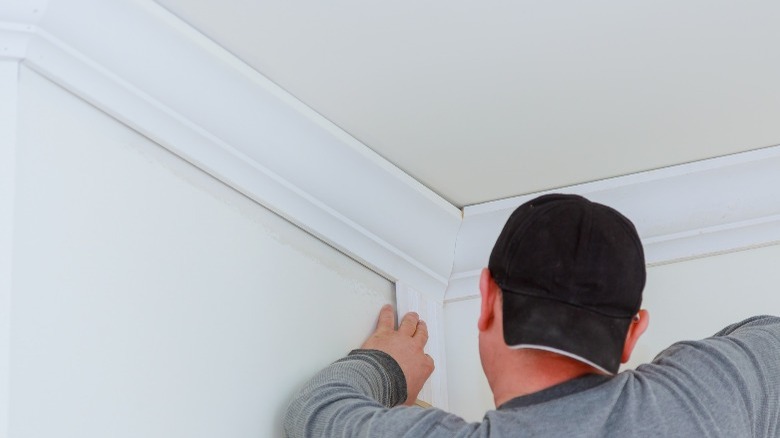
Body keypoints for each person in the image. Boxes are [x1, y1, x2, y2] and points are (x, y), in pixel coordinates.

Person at [284, 193, 780, 437]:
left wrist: (389, 368)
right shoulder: (711, 393)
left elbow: (318, 409)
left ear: (486, 299)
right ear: (633, 334)